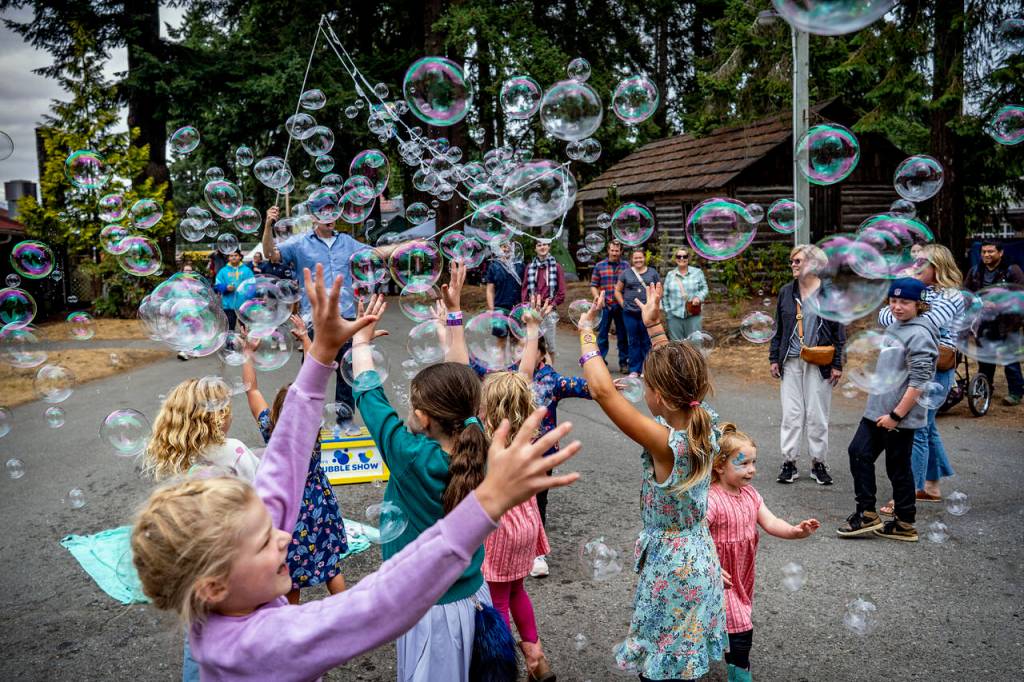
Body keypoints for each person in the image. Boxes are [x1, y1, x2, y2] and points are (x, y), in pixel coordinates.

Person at [130, 264, 584, 682]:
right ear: (213, 584)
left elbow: (282, 470)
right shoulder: (255, 645)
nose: (283, 536)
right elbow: (378, 602)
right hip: (457, 596)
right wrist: (484, 506)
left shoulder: (226, 594)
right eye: (266, 540)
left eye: (272, 530)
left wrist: (323, 354)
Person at [578, 285, 728, 681]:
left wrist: (585, 332)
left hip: (672, 568)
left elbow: (602, 390)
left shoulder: (667, 444)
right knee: (680, 654)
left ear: (657, 397)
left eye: (645, 384)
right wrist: (655, 327)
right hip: (698, 557)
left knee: (662, 664)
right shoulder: (704, 420)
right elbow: (678, 377)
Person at [350, 297, 497, 682]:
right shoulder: (477, 441)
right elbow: (463, 386)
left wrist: (359, 345)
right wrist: (449, 324)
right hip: (474, 597)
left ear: (425, 418)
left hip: (429, 610)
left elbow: (370, 398)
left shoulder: (411, 457)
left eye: (414, 405)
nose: (409, 409)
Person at [241, 316, 349, 603]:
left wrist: (247, 354)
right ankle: (344, 613)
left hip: (290, 510)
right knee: (330, 567)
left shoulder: (270, 429)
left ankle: (290, 624)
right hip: (320, 504)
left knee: (289, 575)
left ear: (277, 411)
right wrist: (304, 338)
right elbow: (317, 379)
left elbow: (251, 389)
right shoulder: (313, 429)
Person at [707, 423, 820, 682]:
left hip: (742, 573)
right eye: (743, 463)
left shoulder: (751, 495)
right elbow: (697, 536)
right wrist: (709, 566)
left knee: (727, 619)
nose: (752, 470)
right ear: (719, 465)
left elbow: (771, 522)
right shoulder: (711, 499)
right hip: (718, 575)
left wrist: (795, 531)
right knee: (741, 625)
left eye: (753, 462)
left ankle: (719, 652)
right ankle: (739, 670)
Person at [262, 205, 398, 415]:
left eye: (333, 212)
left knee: (348, 373)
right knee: (312, 373)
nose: (331, 217)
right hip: (315, 319)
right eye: (324, 213)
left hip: (347, 316)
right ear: (314, 218)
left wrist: (407, 245)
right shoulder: (299, 243)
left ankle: (345, 422)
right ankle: (308, 422)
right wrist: (268, 225)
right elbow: (271, 254)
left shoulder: (347, 242)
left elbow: (376, 253)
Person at [837, 278, 939, 543]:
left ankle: (897, 520)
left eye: (904, 302)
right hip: (878, 410)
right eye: (893, 301)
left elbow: (918, 383)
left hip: (897, 416)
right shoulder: (896, 326)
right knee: (861, 453)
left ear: (919, 304)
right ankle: (879, 516)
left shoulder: (921, 334)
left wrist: (896, 416)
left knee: (897, 467)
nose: (897, 306)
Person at [479, 371, 556, 682]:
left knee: (495, 597)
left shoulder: (488, 443)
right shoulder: (528, 439)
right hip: (526, 522)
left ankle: (499, 668)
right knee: (516, 590)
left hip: (501, 528)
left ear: (489, 410)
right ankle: (536, 657)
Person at [878, 245, 964, 513]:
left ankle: (909, 493)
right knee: (928, 427)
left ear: (937, 268)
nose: (914, 269)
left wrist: (904, 313)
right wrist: (903, 309)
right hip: (912, 361)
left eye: (920, 265)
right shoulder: (920, 293)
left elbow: (924, 324)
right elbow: (884, 315)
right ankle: (932, 486)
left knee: (917, 429)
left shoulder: (952, 296)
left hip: (936, 366)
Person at [768, 244, 845, 486]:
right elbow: (778, 329)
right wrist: (773, 358)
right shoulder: (785, 292)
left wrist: (837, 363)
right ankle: (789, 462)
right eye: (792, 261)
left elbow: (839, 331)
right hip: (791, 361)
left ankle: (818, 463)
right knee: (791, 414)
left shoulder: (829, 294)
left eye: (798, 261)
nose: (793, 264)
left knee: (817, 414)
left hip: (819, 362)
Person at [144, 376, 260, 482]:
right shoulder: (234, 450)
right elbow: (259, 485)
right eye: (227, 408)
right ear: (219, 417)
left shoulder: (176, 459)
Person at [963, 240, 1024, 406]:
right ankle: (985, 386)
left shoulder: (1012, 270)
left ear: (1000, 253)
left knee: (1009, 359)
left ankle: (1016, 392)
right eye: (983, 252)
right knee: (985, 358)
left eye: (990, 251)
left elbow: (1020, 295)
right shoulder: (975, 271)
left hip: (1007, 323)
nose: (986, 255)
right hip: (984, 322)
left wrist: (998, 304)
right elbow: (967, 293)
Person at [614, 248, 661, 377]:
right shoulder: (625, 273)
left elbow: (658, 290)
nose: (638, 260)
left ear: (644, 258)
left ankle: (647, 369)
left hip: (647, 313)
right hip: (630, 312)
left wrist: (654, 304)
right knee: (633, 340)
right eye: (636, 258)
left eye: (640, 257)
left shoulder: (652, 273)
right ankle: (634, 369)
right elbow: (617, 290)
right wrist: (623, 304)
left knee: (647, 340)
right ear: (632, 260)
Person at [589, 240, 629, 372]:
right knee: (602, 335)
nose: (614, 253)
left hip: (621, 305)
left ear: (621, 251)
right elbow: (594, 285)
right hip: (604, 305)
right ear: (608, 250)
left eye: (617, 251)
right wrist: (596, 297)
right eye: (612, 250)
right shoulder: (599, 266)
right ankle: (601, 361)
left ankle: (624, 362)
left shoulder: (626, 266)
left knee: (623, 335)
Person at [521, 240, 566, 356]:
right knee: (532, 344)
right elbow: (525, 290)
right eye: (539, 245)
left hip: (548, 311)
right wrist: (525, 309)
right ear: (535, 249)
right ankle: (535, 371)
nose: (542, 247)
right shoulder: (530, 267)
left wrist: (552, 305)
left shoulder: (556, 267)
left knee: (549, 346)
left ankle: (549, 371)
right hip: (533, 310)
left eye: (545, 244)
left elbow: (561, 292)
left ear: (549, 247)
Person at [661, 246, 708, 341]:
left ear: (688, 258)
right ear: (675, 259)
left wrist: (698, 297)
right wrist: (668, 312)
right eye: (679, 256)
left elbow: (704, 288)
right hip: (674, 316)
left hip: (693, 315)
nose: (682, 258)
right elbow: (665, 295)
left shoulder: (697, 272)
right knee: (677, 346)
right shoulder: (670, 275)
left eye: (685, 256)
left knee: (695, 344)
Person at [213, 249, 254, 332]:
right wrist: (225, 288)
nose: (233, 257)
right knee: (229, 328)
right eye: (231, 256)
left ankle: (245, 344)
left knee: (245, 329)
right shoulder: (223, 271)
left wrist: (246, 295)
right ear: (228, 258)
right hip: (228, 305)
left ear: (240, 257)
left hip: (243, 306)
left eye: (235, 255)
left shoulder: (247, 270)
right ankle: (230, 344)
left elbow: (252, 286)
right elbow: (216, 286)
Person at [485, 240, 525, 316]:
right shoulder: (494, 267)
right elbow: (490, 290)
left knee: (515, 328)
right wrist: (491, 309)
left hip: (517, 309)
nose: (507, 249)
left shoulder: (520, 266)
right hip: (499, 309)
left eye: (509, 246)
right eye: (504, 247)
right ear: (498, 249)